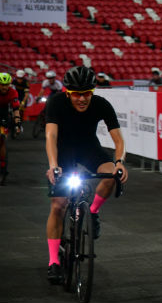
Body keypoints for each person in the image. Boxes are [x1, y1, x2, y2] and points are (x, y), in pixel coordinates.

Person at [44, 66, 128, 284]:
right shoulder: (56, 103)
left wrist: (119, 162)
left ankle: (93, 211)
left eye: (87, 93)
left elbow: (119, 140)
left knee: (111, 176)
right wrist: (53, 165)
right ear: (67, 93)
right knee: (58, 205)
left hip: (89, 149)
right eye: (76, 94)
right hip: (63, 152)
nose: (82, 99)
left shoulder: (101, 104)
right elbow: (51, 136)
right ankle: (53, 261)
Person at [0, 72, 22, 185]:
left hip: (3, 115)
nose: (4, 87)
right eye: (2, 85)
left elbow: (16, 109)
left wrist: (18, 123)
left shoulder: (13, 92)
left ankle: (3, 166)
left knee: (1, 138)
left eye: (6, 85)